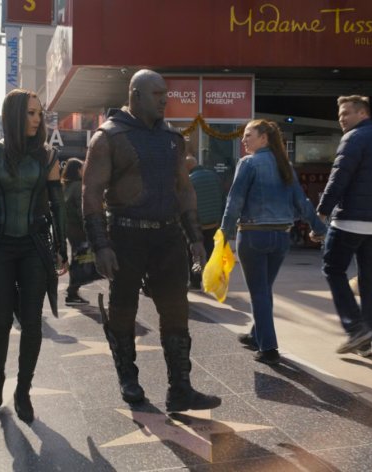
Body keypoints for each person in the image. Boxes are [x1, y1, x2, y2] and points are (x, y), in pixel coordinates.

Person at [82, 69, 221, 412]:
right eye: (157, 94)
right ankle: (128, 379)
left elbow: (184, 190)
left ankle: (180, 389)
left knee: (177, 310)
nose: (164, 100)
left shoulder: (173, 139)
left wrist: (196, 239)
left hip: (168, 236)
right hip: (125, 235)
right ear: (135, 95)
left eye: (165, 94)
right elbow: (91, 192)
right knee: (123, 309)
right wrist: (100, 244)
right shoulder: (108, 137)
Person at [0, 88, 68, 422]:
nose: (37, 119)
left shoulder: (48, 156)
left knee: (32, 322)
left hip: (35, 245)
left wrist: (61, 247)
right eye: (30, 113)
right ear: (13, 115)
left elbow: (57, 204)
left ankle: (23, 390)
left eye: (39, 113)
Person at [221, 119, 326, 365]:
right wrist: (318, 227)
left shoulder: (248, 163)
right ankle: (256, 334)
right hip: (281, 237)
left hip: (253, 235)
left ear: (263, 138)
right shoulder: (284, 165)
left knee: (258, 292)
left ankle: (268, 348)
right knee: (264, 289)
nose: (244, 140)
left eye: (248, 135)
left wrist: (223, 234)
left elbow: (234, 201)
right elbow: (302, 202)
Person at [315, 95, 372, 357]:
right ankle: (365, 341)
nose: (341, 119)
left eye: (347, 113)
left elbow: (338, 177)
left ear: (363, 114)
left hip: (351, 219)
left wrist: (322, 212)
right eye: (340, 114)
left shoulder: (353, 139)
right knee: (368, 278)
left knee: (333, 268)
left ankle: (355, 328)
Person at [185, 154, 224, 290]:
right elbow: (222, 197)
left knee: (194, 254)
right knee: (211, 252)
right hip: (213, 223)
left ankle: (195, 282)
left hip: (196, 225)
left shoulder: (190, 180)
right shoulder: (213, 176)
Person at [61, 157, 89, 305]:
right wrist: (89, 229)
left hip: (69, 227)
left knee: (77, 258)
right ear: (78, 170)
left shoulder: (66, 185)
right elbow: (81, 210)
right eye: (82, 168)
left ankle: (73, 291)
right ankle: (72, 292)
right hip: (78, 228)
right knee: (80, 259)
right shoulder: (78, 185)